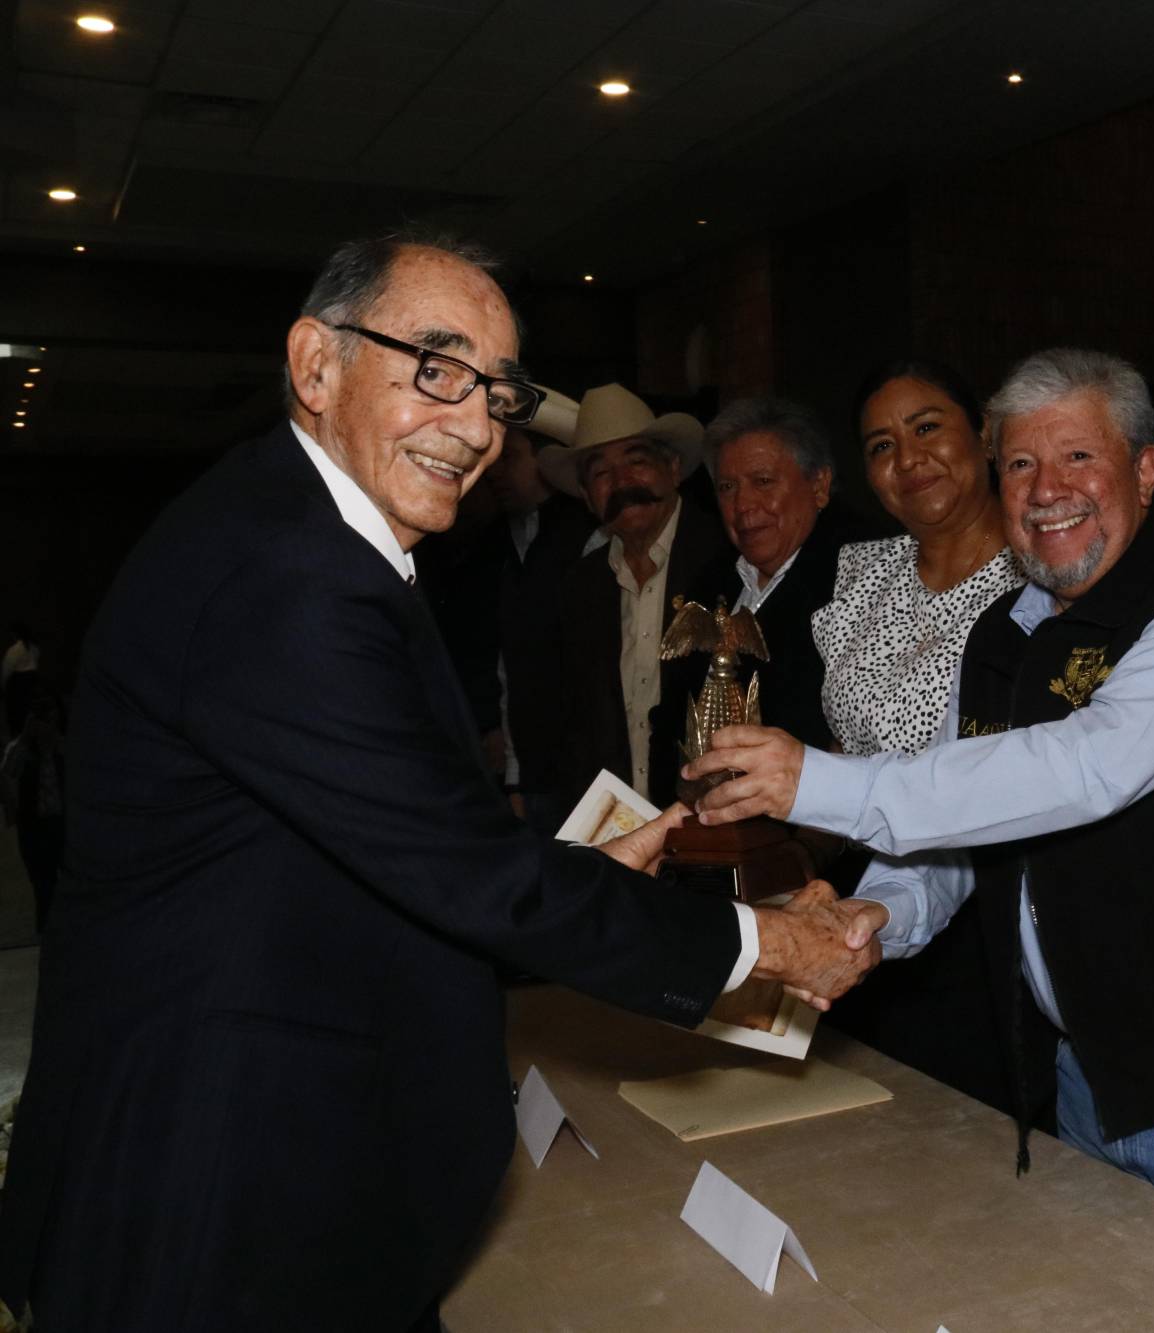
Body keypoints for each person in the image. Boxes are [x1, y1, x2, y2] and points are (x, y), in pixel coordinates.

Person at [0, 230, 877, 1333]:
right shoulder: (288, 572)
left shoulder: (306, 531)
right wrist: (765, 945)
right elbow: (463, 869)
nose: (475, 426)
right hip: (217, 1178)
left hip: (270, 1142)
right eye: (436, 368)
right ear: (315, 365)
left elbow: (375, 840)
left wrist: (569, 869)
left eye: (496, 392)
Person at [687, 348, 1154, 1265]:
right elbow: (971, 815)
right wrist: (878, 911)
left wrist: (820, 782)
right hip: (1082, 1084)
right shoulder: (1003, 635)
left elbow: (1081, 770)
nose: (1048, 490)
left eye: (1079, 457)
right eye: (1020, 463)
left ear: (1145, 470)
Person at [805, 360, 1024, 1109]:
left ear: (984, 433)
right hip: (864, 902)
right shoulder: (862, 573)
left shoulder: (1040, 578)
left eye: (927, 427)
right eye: (881, 446)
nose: (908, 458)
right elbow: (851, 743)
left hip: (987, 914)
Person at [539, 384, 728, 806]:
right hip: (619, 825)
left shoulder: (724, 561)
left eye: (637, 461)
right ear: (587, 498)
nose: (622, 482)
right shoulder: (580, 586)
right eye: (601, 474)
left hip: (711, 818)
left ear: (673, 469)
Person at [675, 396, 850, 751]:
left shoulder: (853, 585)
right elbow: (672, 716)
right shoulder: (709, 583)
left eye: (764, 481)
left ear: (818, 486)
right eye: (727, 487)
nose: (743, 505)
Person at [484, 394, 598, 834]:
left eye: (509, 457)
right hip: (539, 779)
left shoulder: (586, 539)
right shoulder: (511, 542)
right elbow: (511, 666)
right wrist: (516, 777)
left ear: (547, 461)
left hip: (583, 779)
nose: (494, 471)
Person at [0, 685, 63, 935]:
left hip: (63, 825)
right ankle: (48, 935)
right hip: (35, 828)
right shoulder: (22, 748)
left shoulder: (66, 744)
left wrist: (54, 742)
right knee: (43, 886)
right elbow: (9, 772)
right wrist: (27, 737)